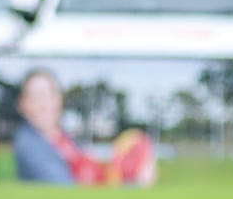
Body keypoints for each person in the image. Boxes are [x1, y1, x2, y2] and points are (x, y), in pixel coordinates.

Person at [12, 68, 156, 186]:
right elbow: (65, 189)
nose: (44, 104)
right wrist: (135, 184)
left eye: (49, 95)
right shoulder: (29, 144)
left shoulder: (64, 139)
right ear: (23, 104)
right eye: (35, 97)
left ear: (59, 99)